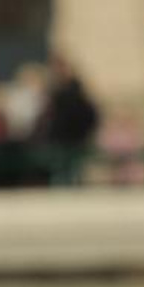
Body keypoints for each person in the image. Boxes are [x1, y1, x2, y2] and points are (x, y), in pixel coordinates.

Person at [38, 51, 101, 187]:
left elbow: (88, 113)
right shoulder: (54, 90)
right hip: (59, 137)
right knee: (60, 170)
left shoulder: (74, 90)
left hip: (74, 136)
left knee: (73, 169)